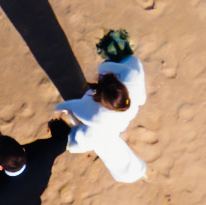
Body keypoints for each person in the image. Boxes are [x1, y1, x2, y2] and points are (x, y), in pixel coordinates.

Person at [55, 40, 148, 182]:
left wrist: (58, 107)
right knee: (110, 147)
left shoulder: (95, 113)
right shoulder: (132, 78)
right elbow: (132, 62)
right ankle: (135, 172)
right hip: (126, 115)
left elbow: (73, 106)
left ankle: (69, 142)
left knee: (85, 138)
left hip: (105, 128)